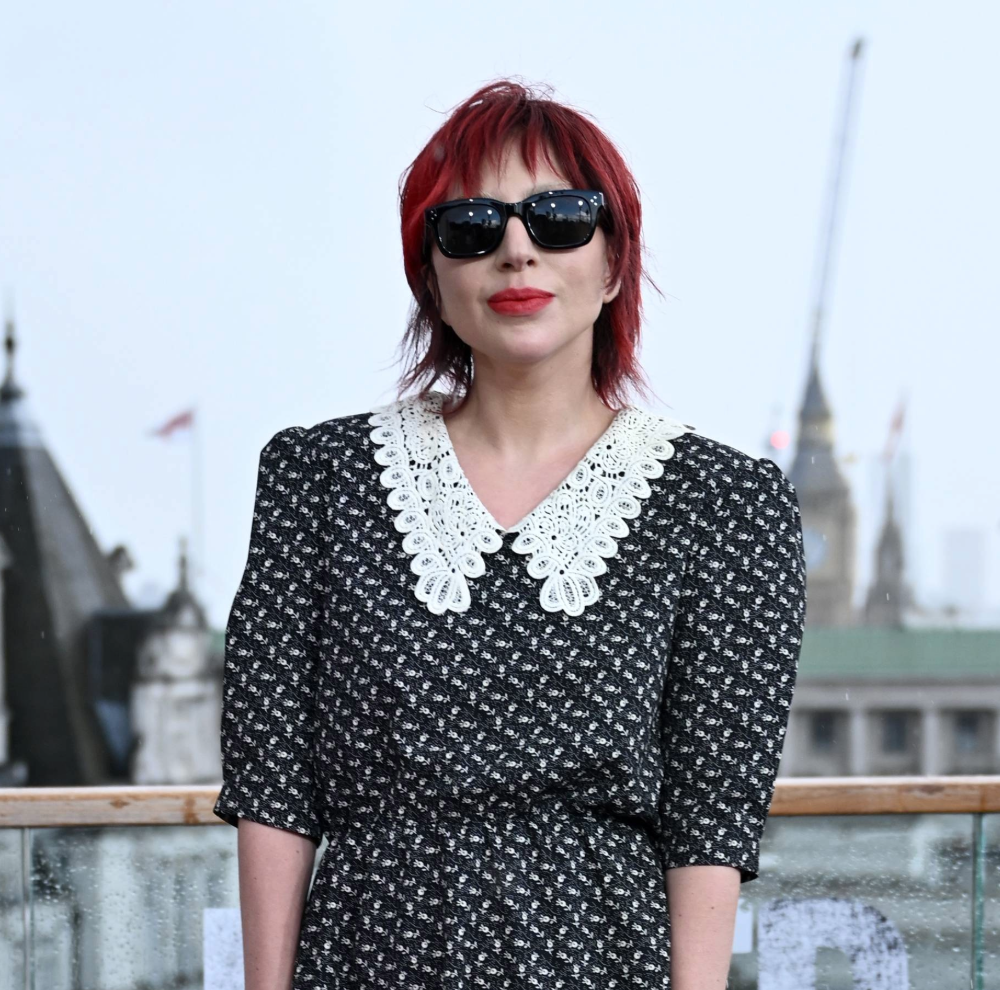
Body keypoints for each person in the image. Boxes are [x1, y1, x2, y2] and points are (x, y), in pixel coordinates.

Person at [213, 77, 808, 990]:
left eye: (561, 218)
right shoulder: (315, 479)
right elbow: (274, 794)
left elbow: (711, 823)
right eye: (471, 227)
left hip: (606, 963)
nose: (517, 249)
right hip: (364, 958)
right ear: (431, 277)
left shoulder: (726, 503)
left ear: (614, 266)